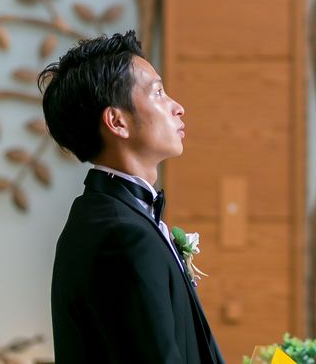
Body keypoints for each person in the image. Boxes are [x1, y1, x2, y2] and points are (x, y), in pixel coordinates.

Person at [38, 30, 224, 363]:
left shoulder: (107, 216)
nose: (178, 108)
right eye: (159, 93)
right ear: (117, 121)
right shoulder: (121, 236)